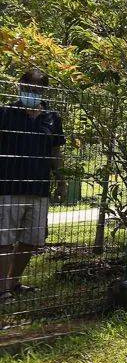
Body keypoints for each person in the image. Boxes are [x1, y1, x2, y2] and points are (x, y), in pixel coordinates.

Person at [0, 69, 65, 302]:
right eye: (28, 89)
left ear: (44, 91)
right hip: (9, 187)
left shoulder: (52, 118)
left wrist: (61, 179)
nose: (32, 93)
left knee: (31, 240)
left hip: (39, 189)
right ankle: (2, 289)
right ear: (20, 87)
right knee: (4, 240)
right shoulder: (6, 113)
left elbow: (56, 151)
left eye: (37, 90)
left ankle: (13, 282)